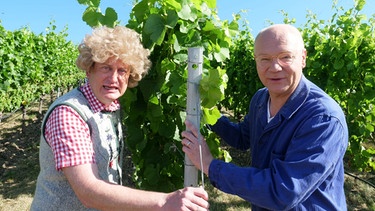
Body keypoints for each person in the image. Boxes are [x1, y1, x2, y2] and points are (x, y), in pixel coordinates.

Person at [31, 25, 209, 211]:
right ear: (89, 69)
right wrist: (165, 201)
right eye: (106, 68)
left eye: (122, 70)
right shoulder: (68, 114)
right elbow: (88, 190)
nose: (114, 78)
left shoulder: (110, 107)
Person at [181, 24, 348, 210]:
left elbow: (283, 192)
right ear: (256, 61)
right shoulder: (261, 98)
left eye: (285, 57)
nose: (275, 67)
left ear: (303, 58)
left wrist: (211, 166)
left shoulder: (323, 118)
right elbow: (243, 137)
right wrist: (206, 113)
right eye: (265, 59)